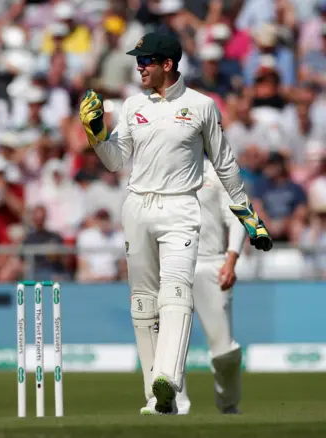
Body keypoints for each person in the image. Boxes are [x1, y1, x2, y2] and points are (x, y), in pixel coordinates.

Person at [78, 32, 272, 415]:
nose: (139, 66)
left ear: (168, 64)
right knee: (143, 302)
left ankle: (168, 377)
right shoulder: (133, 105)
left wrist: (249, 217)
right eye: (138, 60)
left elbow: (225, 164)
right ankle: (157, 397)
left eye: (146, 60)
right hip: (137, 206)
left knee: (175, 291)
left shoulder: (201, 106)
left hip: (181, 208)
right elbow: (117, 161)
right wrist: (96, 133)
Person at [146, 157, 247, 415]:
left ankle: (228, 405)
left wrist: (231, 258)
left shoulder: (219, 173)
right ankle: (175, 406)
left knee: (224, 351)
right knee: (170, 344)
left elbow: (240, 214)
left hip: (210, 263)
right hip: (171, 265)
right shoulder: (160, 169)